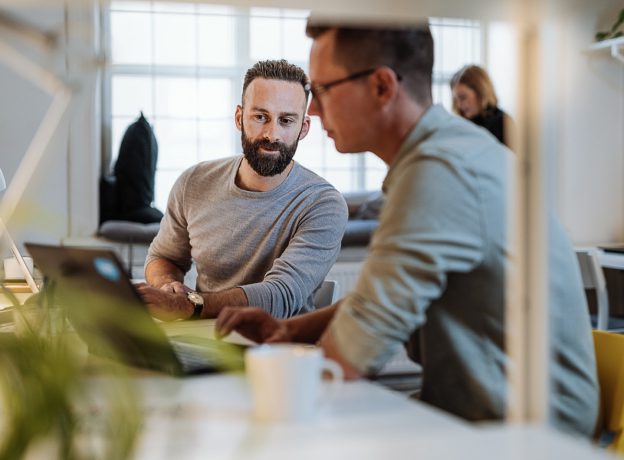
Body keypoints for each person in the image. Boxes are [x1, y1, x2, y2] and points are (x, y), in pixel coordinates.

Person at [215, 23, 599, 436]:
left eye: (323, 90)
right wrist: (289, 330)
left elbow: (344, 362)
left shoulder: (439, 173)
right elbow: (374, 303)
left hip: (528, 434)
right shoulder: (443, 152)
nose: (313, 112)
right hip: (475, 411)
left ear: (382, 87)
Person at [137, 59, 348, 321]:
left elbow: (281, 295)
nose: (272, 134)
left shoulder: (323, 204)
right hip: (202, 339)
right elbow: (164, 257)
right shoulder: (194, 182)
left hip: (279, 348)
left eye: (286, 120)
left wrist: (189, 305)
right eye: (261, 117)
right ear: (239, 118)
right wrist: (167, 286)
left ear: (303, 128)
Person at [450, 64, 512, 147]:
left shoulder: (503, 123)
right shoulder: (462, 125)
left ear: (481, 92)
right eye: (455, 99)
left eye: (463, 97)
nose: (459, 105)